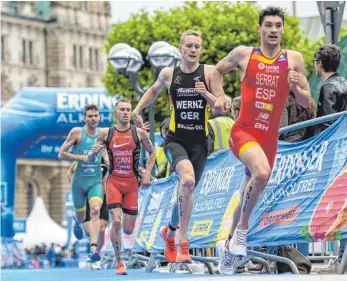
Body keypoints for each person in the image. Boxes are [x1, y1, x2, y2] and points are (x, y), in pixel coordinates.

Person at [211, 7, 311, 275]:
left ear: (283, 30)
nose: (274, 30)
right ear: (260, 29)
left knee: (249, 190)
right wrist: (219, 95)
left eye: (278, 25)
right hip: (243, 131)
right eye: (269, 25)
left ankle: (230, 250)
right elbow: (216, 72)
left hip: (269, 138)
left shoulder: (293, 59)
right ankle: (242, 232)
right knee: (262, 172)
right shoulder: (245, 54)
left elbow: (307, 102)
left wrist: (295, 87)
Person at [131, 30, 216, 264]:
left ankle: (169, 231)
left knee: (187, 190)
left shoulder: (209, 73)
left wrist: (205, 93)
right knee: (186, 180)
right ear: (180, 48)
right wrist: (136, 112)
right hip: (176, 140)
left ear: (201, 50)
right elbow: (152, 91)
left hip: (201, 142)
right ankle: (183, 243)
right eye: (188, 45)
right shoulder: (170, 74)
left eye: (196, 46)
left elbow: (220, 105)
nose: (192, 50)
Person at [89, 98, 155, 275]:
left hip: (132, 184)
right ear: (115, 113)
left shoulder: (140, 133)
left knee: (127, 228)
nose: (126, 112)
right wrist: (94, 155)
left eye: (128, 110)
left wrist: (147, 172)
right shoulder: (105, 133)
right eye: (122, 110)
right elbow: (93, 157)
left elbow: (152, 153)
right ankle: (119, 262)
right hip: (114, 183)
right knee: (116, 221)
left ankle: (119, 250)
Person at [58, 104, 108, 263]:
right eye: (90, 116)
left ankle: (93, 248)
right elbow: (61, 154)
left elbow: (105, 153)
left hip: (95, 181)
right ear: (84, 118)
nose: (94, 118)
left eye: (96, 115)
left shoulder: (104, 133)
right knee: (81, 217)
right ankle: (76, 219)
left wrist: (108, 160)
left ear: (99, 117)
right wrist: (82, 158)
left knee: (95, 210)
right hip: (79, 182)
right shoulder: (77, 133)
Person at [66, 157, 109, 270]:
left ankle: (96, 256)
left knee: (102, 227)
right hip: (86, 194)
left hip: (102, 194)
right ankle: (77, 219)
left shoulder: (107, 157)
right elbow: (69, 172)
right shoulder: (86, 156)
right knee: (89, 232)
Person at [312, 44, 347, 136]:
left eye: (314, 62)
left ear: (319, 63)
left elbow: (326, 124)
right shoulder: (344, 82)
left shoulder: (328, 87)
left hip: (330, 143)